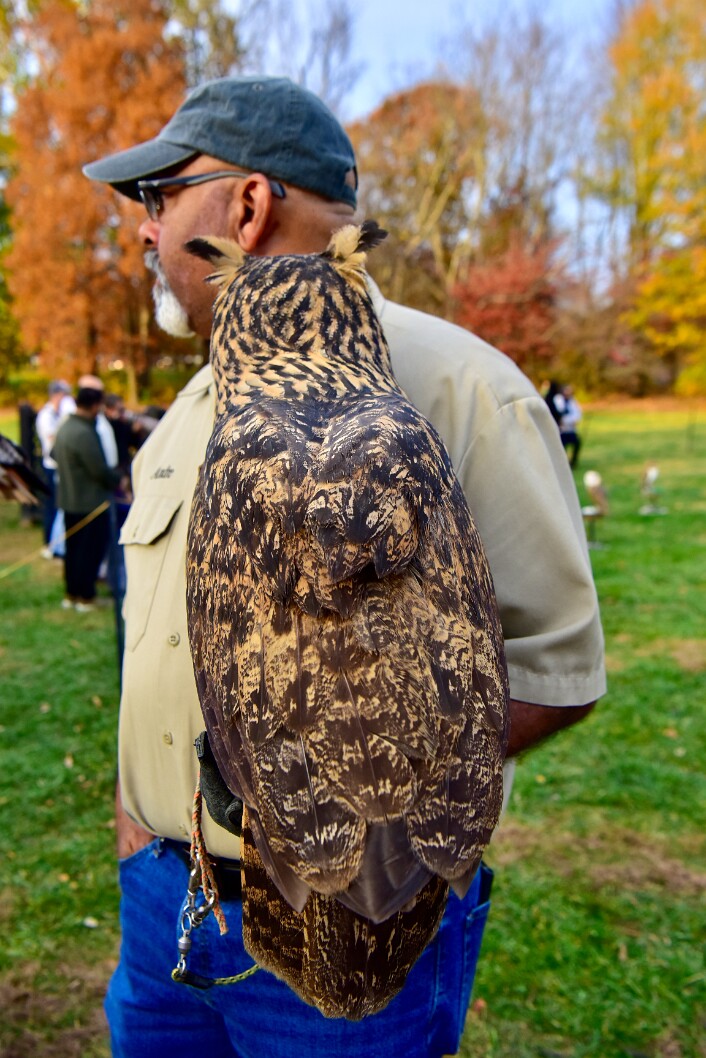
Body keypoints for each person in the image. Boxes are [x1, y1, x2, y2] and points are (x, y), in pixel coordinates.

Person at [83, 76, 605, 1058]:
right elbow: (155, 654)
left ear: (244, 205)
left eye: (157, 199)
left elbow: (553, 670)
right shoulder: (191, 407)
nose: (143, 233)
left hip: (345, 934)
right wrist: (142, 830)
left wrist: (351, 821)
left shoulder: (454, 385)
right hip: (165, 910)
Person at [51, 386, 122, 611]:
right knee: (88, 551)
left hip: (70, 500)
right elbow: (98, 470)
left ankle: (72, 593)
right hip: (89, 503)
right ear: (94, 405)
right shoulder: (83, 432)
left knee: (73, 551)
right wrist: (117, 478)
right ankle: (85, 596)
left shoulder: (65, 427)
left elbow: (53, 454)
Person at [35, 380, 75, 555]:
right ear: (57, 395)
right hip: (52, 466)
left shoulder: (61, 413)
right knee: (52, 505)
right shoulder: (46, 415)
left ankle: (58, 542)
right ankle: (50, 543)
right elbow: (52, 439)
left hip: (62, 465)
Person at [559, 384, 582, 469]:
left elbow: (577, 414)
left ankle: (573, 463)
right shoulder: (558, 400)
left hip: (571, 430)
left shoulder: (573, 401)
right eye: (567, 390)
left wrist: (570, 421)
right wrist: (565, 421)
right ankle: (563, 463)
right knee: (563, 448)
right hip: (562, 431)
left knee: (577, 443)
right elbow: (559, 416)